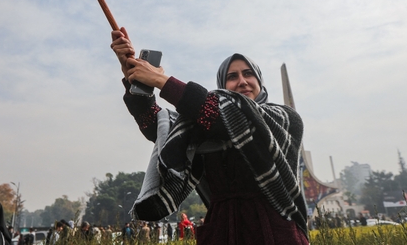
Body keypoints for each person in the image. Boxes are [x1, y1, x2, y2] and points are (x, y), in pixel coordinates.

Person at [111, 28, 308, 244]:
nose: (242, 81)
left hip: (274, 233)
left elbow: (227, 116)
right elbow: (157, 126)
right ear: (223, 87)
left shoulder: (285, 119)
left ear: (260, 82)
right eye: (232, 77)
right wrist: (133, 76)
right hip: (220, 232)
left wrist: (161, 79)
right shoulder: (205, 124)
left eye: (248, 74)